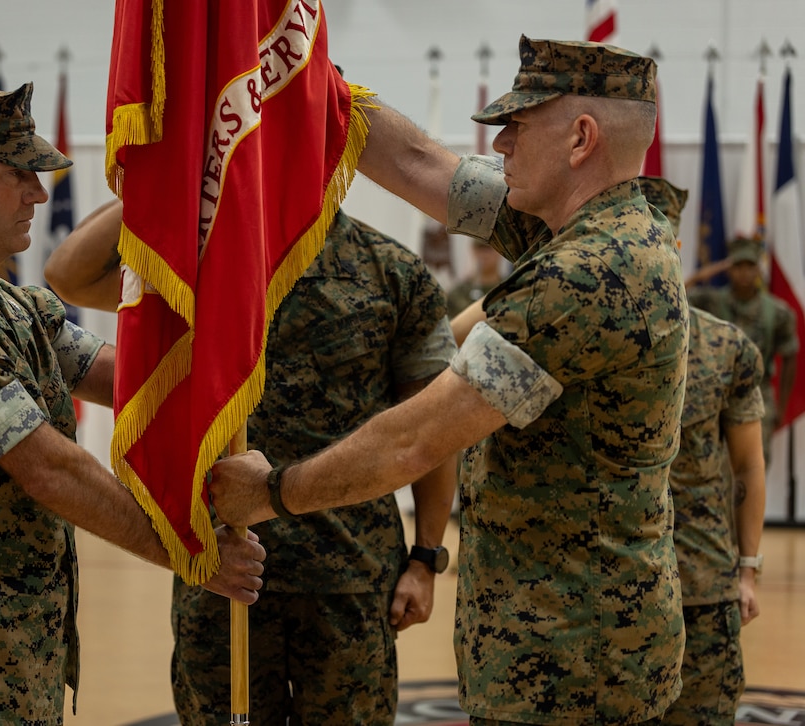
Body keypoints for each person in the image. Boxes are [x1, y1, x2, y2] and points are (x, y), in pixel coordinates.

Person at [210, 35, 687, 724]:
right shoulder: (574, 227)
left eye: (518, 127)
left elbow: (416, 440)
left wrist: (272, 493)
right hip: (569, 644)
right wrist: (306, 78)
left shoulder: (590, 274)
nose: (500, 146)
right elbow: (417, 160)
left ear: (581, 139)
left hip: (573, 669)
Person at [0, 83, 264, 726]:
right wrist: (191, 553)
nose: (39, 192)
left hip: (7, 670)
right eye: (16, 173)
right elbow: (51, 469)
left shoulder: (9, 305)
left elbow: (124, 379)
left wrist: (231, 358)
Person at [45, 198, 459, 725]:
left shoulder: (390, 270)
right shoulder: (202, 263)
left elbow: (429, 430)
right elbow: (69, 276)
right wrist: (167, 169)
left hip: (349, 578)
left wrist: (425, 560)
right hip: (223, 565)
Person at [641, 176, 767, 726]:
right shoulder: (567, 332)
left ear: (675, 246)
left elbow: (747, 466)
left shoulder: (724, 346)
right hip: (603, 595)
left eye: (657, 238)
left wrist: (748, 569)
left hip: (701, 588)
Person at [686, 235, 799, 463]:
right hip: (715, 397)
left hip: (758, 396)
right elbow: (676, 295)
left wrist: (782, 405)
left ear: (759, 269)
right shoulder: (713, 302)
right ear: (729, 268)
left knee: (753, 467)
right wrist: (702, 274)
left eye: (750, 266)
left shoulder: (777, 312)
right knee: (714, 469)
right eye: (738, 266)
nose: (744, 273)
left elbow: (791, 354)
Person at [445, 238, 505, 314]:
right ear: (473, 250)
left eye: (489, 249)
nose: (484, 255)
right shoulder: (458, 293)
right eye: (480, 249)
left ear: (500, 252)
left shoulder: (509, 289)